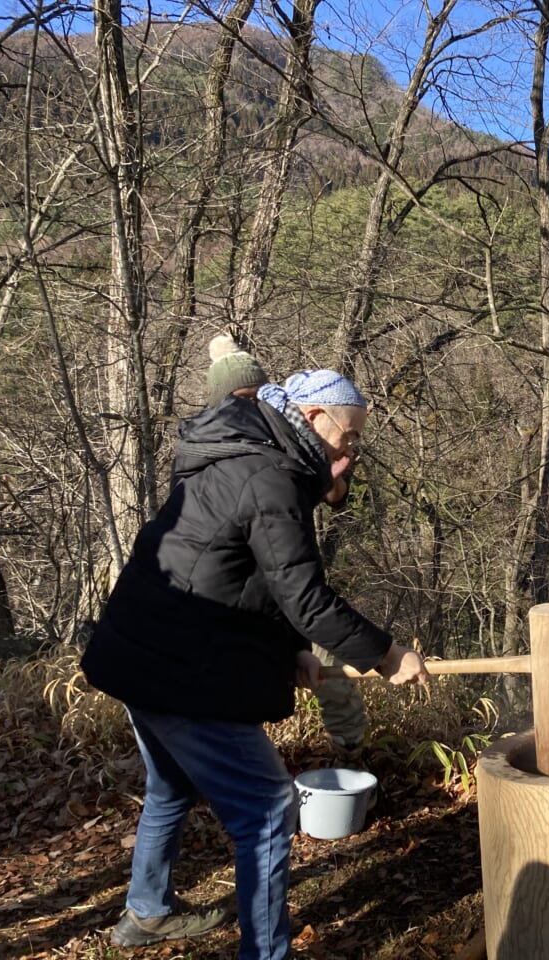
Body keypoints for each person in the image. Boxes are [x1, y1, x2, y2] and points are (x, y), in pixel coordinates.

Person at [82, 368, 429, 960]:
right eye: (348, 439)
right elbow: (306, 597)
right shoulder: (271, 476)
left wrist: (290, 647)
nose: (350, 454)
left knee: (170, 786)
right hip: (176, 665)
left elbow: (245, 574)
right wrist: (387, 654)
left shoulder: (251, 448)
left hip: (143, 648)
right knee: (270, 809)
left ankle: (145, 912)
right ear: (316, 419)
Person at [205, 334, 370, 751]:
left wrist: (327, 480)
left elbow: (336, 497)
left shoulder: (293, 436)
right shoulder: (229, 455)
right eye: (238, 396)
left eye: (253, 393)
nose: (248, 402)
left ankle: (349, 760)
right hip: (246, 606)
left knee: (333, 683)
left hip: (292, 588)